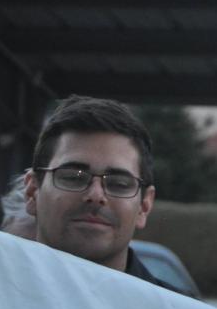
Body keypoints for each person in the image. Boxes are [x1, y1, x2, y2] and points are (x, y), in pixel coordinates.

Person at [23, 95, 182, 292]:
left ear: (144, 206)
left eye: (118, 183)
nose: (96, 195)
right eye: (73, 177)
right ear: (32, 191)